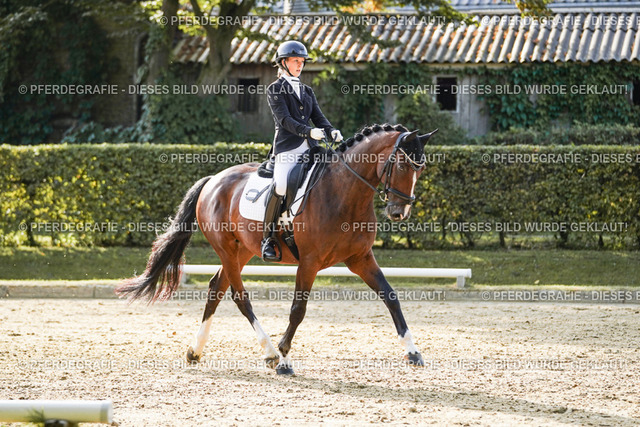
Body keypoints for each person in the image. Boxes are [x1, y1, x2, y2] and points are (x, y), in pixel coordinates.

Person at [261, 40, 343, 261]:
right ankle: (268, 237)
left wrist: (331, 130)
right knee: (281, 185)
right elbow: (284, 120)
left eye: (302, 61)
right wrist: (308, 131)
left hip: (311, 149)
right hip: (287, 148)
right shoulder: (275, 89)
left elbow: (319, 117)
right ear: (283, 63)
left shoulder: (307, 91)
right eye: (295, 61)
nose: (300, 65)